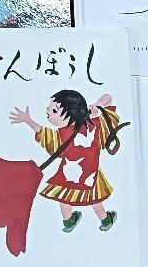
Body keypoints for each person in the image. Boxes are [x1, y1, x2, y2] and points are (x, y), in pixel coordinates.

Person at [9, 89, 126, 234]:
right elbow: (108, 99)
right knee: (95, 199)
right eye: (50, 107)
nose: (48, 110)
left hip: (72, 173)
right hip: (86, 173)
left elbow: (44, 134)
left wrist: (96, 105)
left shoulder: (71, 131)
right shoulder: (94, 124)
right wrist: (99, 105)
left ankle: (69, 221)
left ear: (72, 114)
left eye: (54, 110)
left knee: (65, 198)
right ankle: (105, 220)